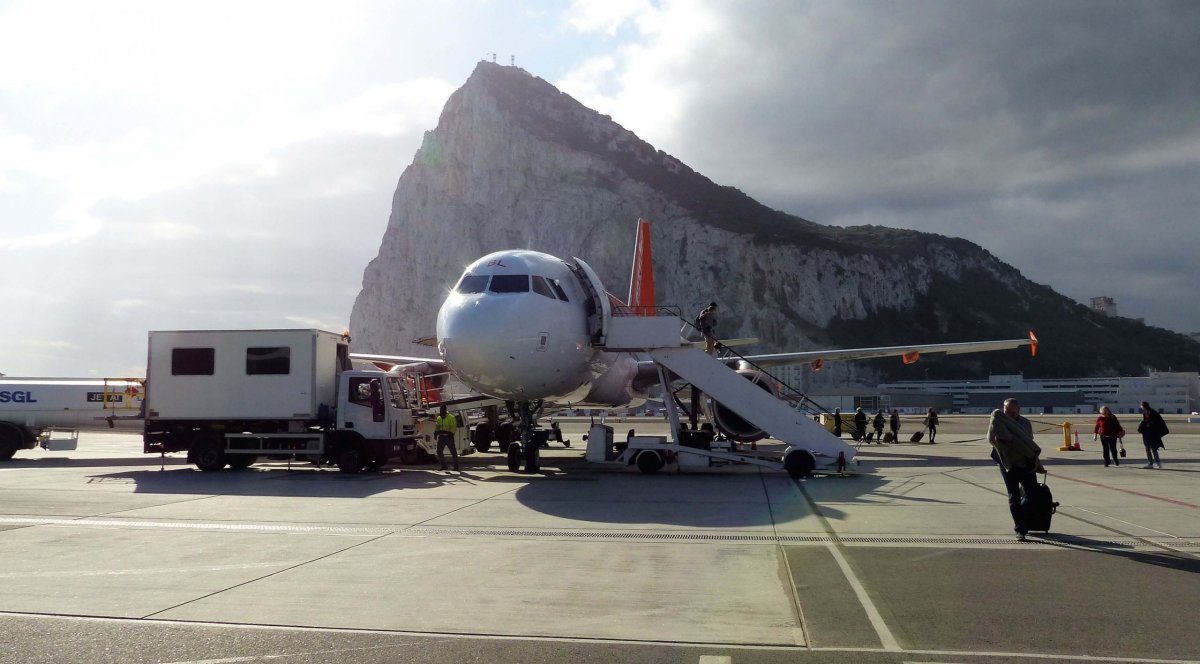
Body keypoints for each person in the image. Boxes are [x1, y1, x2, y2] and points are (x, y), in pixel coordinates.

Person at [987, 398, 1044, 541]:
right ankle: (1020, 529)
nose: (1009, 414)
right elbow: (993, 438)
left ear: (1018, 410)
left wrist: (1035, 460)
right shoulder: (998, 421)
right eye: (1006, 411)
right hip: (1008, 464)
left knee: (1033, 494)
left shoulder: (1025, 423)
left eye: (1012, 411)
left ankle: (1023, 519)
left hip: (1026, 463)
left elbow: (1029, 442)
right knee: (1013, 496)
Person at [1137, 401, 1168, 469]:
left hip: (1153, 433)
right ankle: (1150, 463)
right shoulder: (1145, 413)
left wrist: (1150, 424)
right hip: (1147, 433)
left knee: (1154, 448)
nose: (1141, 408)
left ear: (1144, 406)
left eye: (1142, 406)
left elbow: (1158, 421)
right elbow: (1145, 421)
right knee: (1148, 449)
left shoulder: (1152, 412)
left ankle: (1158, 463)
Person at [435, 405, 460, 471]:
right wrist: (435, 433)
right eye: (440, 410)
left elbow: (454, 428)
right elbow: (437, 427)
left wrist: (449, 433)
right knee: (439, 451)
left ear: (445, 410)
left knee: (453, 452)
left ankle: (456, 467)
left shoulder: (451, 417)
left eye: (441, 410)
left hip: (449, 437)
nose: (440, 412)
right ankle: (444, 466)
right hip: (441, 437)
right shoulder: (439, 418)